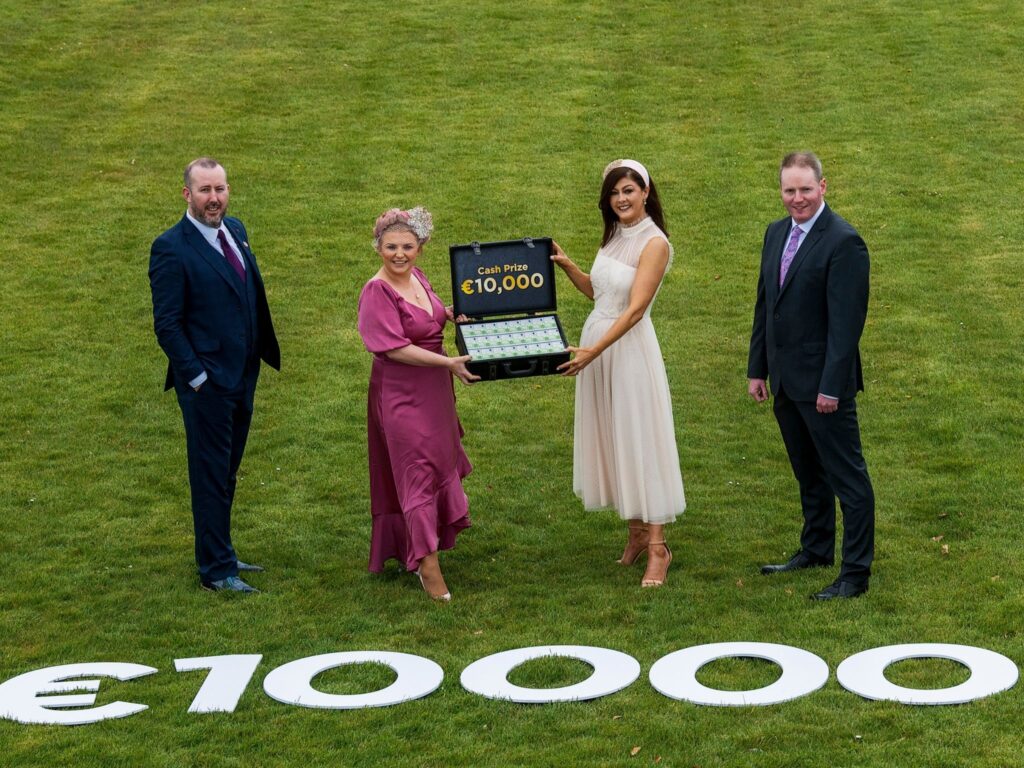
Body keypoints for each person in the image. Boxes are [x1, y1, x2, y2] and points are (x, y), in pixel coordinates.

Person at [747, 151, 875, 601]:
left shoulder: (844, 242)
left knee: (848, 480)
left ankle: (855, 574)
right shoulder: (775, 232)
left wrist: (830, 387)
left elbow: (846, 325)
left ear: (824, 186)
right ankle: (817, 549)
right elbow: (767, 305)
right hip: (784, 380)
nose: (796, 199)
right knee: (808, 473)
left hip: (823, 387)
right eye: (789, 190)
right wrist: (757, 368)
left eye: (805, 189)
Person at [149, 157, 280, 593]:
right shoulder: (171, 247)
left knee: (226, 470)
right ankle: (217, 571)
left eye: (220, 189)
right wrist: (198, 378)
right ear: (187, 193)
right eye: (204, 190)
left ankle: (220, 548)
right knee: (209, 472)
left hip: (242, 375)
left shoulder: (236, 230)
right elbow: (167, 323)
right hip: (207, 384)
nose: (214, 199)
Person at [553, 159, 686, 587]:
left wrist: (593, 351)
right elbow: (602, 292)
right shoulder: (614, 235)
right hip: (599, 343)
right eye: (614, 193)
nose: (621, 199)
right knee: (613, 437)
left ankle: (658, 548)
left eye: (628, 190)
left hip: (625, 350)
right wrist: (568, 265)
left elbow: (633, 311)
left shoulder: (655, 243)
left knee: (639, 439)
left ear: (646, 193)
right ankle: (634, 534)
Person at [357, 207, 479, 602]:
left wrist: (453, 315)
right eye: (390, 247)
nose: (399, 254)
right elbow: (393, 347)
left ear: (420, 249)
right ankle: (427, 565)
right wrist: (448, 362)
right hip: (402, 396)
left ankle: (427, 546)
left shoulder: (417, 278)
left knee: (438, 464)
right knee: (415, 473)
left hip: (436, 395)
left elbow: (432, 316)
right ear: (378, 247)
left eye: (407, 247)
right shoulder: (376, 291)